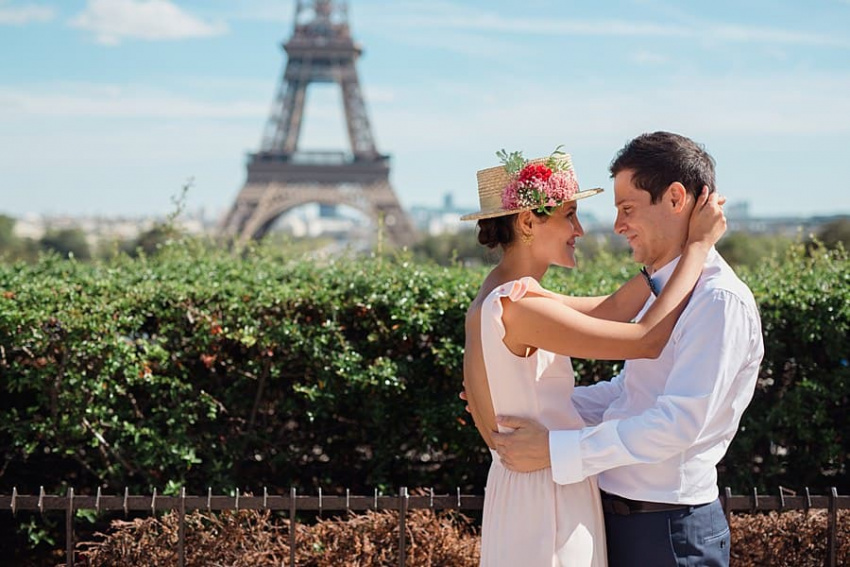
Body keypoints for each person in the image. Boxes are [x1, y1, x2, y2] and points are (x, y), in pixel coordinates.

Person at [490, 132, 764, 567]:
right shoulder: (665, 291)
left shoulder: (718, 300)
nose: (617, 226)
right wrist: (526, 402)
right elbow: (629, 392)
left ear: (675, 199)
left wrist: (557, 449)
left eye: (627, 209)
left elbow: (677, 424)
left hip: (666, 532)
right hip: (619, 521)